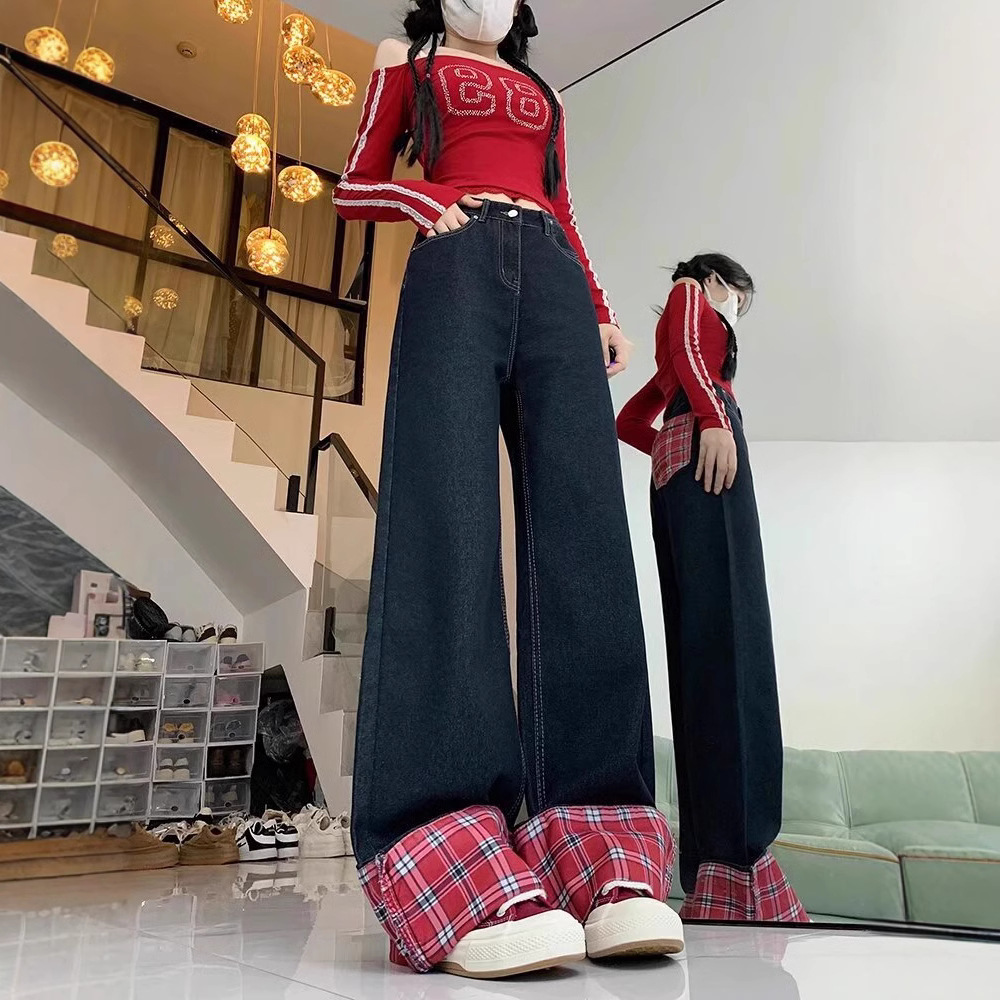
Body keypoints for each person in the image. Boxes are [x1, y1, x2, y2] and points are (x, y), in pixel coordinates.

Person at [334, 0, 684, 979]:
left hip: (554, 277)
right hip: (453, 261)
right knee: (444, 515)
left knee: (586, 534)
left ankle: (600, 842)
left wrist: (600, 307)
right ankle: (443, 849)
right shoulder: (406, 57)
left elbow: (562, 203)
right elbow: (355, 184)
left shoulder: (543, 89)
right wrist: (422, 205)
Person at [616, 254, 808, 922]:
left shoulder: (674, 363)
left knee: (700, 650)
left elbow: (628, 422)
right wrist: (713, 423)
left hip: (680, 466)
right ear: (719, 281)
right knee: (735, 639)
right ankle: (739, 865)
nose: (734, 311)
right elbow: (693, 357)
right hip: (705, 446)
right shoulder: (690, 294)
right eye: (738, 300)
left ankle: (710, 871)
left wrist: (674, 441)